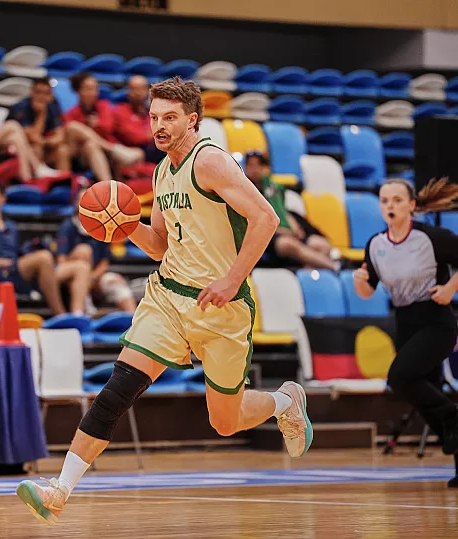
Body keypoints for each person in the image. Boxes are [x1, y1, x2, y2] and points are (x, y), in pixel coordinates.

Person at [16, 77, 312, 524]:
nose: (158, 125)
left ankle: (286, 401)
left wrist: (233, 280)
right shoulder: (160, 170)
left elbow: (266, 218)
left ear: (193, 119)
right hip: (169, 297)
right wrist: (123, 220)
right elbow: (159, 246)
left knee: (225, 421)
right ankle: (59, 489)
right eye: (154, 117)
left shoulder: (209, 161)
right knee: (119, 388)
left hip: (221, 306)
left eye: (169, 117)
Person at [354, 178, 458, 488]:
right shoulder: (376, 244)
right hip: (405, 322)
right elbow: (366, 290)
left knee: (400, 377)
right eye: (385, 200)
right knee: (428, 398)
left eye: (398, 200)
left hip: (435, 321)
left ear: (412, 205)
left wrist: (452, 287)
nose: (390, 205)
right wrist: (360, 280)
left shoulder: (430, 237)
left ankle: (455, 413)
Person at [0, 178, 90, 315]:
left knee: (81, 267)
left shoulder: (11, 225)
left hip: (19, 269)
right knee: (43, 257)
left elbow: (18, 253)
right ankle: (59, 314)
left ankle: (78, 313)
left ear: (3, 199)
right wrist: (2, 262)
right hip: (0, 272)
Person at [243, 151, 338, 271]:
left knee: (321, 245)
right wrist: (282, 231)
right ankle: (334, 265)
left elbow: (284, 211)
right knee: (289, 244)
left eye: (258, 165)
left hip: (287, 231)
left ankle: (310, 276)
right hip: (268, 237)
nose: (254, 169)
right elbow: (254, 220)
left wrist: (295, 227)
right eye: (250, 165)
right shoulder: (245, 191)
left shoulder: (274, 188)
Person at [57, 187, 136, 313]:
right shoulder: (68, 226)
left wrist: (92, 278)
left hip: (94, 278)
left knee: (114, 280)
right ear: (76, 204)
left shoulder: (102, 226)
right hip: (72, 277)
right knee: (84, 251)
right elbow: (61, 260)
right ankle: (84, 308)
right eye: (81, 200)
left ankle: (133, 319)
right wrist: (83, 274)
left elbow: (104, 263)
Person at [63, 73, 144, 183]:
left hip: (109, 154)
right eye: (88, 89)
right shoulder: (71, 114)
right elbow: (70, 141)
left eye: (95, 88)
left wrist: (97, 124)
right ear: (78, 91)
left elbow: (109, 127)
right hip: (85, 156)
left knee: (139, 153)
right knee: (84, 139)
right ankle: (108, 185)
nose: (93, 93)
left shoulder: (104, 106)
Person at [8, 77, 71, 172]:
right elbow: (33, 137)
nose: (41, 96)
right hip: (21, 149)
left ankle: (65, 181)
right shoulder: (20, 107)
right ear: (32, 92)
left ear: (51, 95)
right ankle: (37, 183)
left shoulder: (53, 106)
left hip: (44, 146)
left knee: (63, 150)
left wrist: (47, 142)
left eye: (46, 93)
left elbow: (60, 134)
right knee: (36, 148)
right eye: (38, 92)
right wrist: (41, 114)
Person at [113, 75, 163, 164]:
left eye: (141, 88)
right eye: (134, 89)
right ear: (128, 91)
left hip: (155, 152)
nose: (138, 92)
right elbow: (133, 137)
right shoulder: (120, 110)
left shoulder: (153, 111)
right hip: (132, 153)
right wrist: (154, 133)